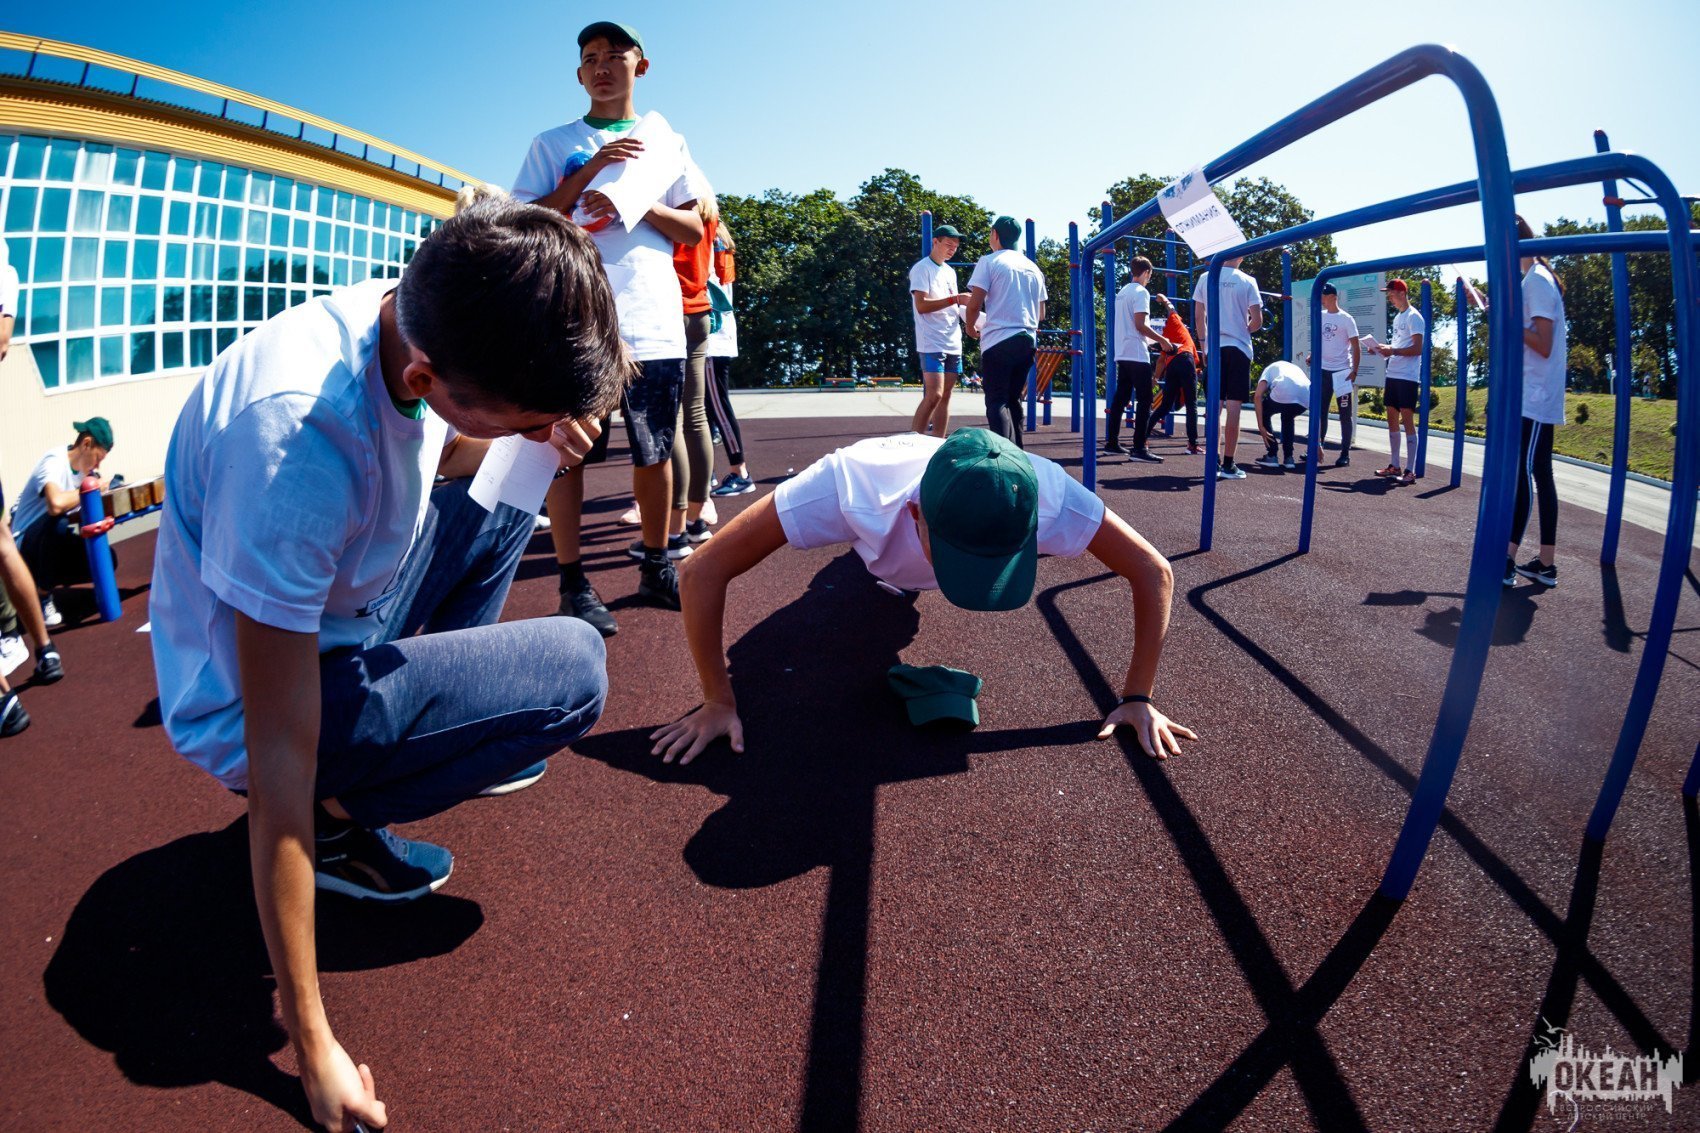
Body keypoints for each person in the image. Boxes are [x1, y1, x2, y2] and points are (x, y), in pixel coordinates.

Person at [149, 197, 627, 1133]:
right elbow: (275, 750)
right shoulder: (295, 445)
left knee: (503, 507)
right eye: (533, 412)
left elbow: (444, 444)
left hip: (342, 616)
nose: (552, 427)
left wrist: (532, 433)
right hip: (252, 704)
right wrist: (311, 1042)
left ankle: (414, 733)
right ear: (425, 377)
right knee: (576, 666)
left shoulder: (426, 298)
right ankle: (340, 823)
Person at [648, 428, 1196, 765]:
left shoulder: (1050, 493)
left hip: (924, 504)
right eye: (959, 555)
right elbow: (700, 570)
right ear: (916, 515)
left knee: (902, 600)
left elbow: (1154, 571)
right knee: (852, 596)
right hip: (877, 527)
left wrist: (1138, 697)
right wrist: (718, 700)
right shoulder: (848, 485)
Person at [512, 19, 704, 635]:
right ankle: (573, 583)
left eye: (615, 55)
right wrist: (587, 171)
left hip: (652, 319)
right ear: (578, 74)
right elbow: (524, 220)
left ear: (639, 66)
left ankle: (656, 563)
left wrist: (636, 203)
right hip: (574, 320)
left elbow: (694, 229)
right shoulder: (553, 142)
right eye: (591, 57)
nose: (602, 66)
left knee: (655, 450)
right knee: (568, 452)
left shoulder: (666, 140)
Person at [1505, 214, 1568, 588]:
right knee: (1540, 473)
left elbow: (1543, 344)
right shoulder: (1533, 280)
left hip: (1536, 394)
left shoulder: (1537, 281)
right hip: (1534, 393)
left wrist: (1508, 319)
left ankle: (1507, 558)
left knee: (1523, 474)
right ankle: (1545, 564)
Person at [659, 188, 721, 559]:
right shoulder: (708, 210)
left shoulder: (668, 206)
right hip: (699, 311)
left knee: (671, 419)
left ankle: (675, 530)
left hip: (669, 309)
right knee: (695, 418)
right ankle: (697, 519)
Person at [11, 418, 115, 627]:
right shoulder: (54, 461)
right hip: (23, 546)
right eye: (97, 458)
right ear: (86, 444)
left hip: (49, 542)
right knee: (58, 522)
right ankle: (43, 596)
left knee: (109, 558)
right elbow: (55, 504)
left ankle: (46, 585)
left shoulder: (87, 474)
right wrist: (90, 490)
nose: (97, 465)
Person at [964, 216, 1047, 448]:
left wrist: (970, 326)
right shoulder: (1033, 267)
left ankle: (1003, 452)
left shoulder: (989, 261)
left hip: (999, 340)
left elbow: (974, 304)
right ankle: (1018, 451)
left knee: (997, 400)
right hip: (1027, 340)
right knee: (1013, 399)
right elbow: (1041, 313)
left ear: (995, 234)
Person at [1193, 256, 1263, 481]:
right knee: (1234, 408)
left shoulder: (1206, 277)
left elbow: (1199, 316)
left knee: (1215, 407)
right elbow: (1257, 320)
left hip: (1215, 347)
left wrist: (1204, 345)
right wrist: (1243, 329)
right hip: (1239, 348)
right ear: (1241, 256)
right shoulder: (1248, 280)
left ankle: (1212, 460)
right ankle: (1229, 463)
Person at [1106, 256, 1178, 462]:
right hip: (1137, 354)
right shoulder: (1141, 292)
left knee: (1121, 398)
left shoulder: (1122, 292)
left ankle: (1112, 443)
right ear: (1146, 272)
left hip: (1123, 351)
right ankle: (1139, 448)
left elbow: (1132, 326)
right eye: (1150, 275)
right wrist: (1163, 340)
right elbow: (1140, 325)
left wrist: (1155, 341)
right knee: (1145, 400)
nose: (1149, 279)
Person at [707, 223, 756, 498]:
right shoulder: (720, 242)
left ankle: (741, 473)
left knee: (718, 407)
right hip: (717, 334)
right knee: (706, 410)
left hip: (712, 338)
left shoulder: (709, 241)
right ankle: (708, 472)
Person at [909, 224, 969, 437]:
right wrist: (956, 299)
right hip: (932, 341)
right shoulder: (922, 268)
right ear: (935, 242)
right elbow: (921, 306)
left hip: (953, 340)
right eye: (949, 244)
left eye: (955, 246)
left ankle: (938, 443)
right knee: (934, 395)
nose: (952, 249)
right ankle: (913, 442)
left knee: (945, 396)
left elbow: (953, 306)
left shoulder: (949, 271)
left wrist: (972, 321)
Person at [1374, 278, 1423, 485]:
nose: (1390, 298)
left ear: (1402, 293)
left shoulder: (1414, 317)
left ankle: (1411, 470)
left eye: (1392, 294)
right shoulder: (1398, 317)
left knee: (1407, 420)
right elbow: (1398, 345)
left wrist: (1392, 350)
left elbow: (1418, 349)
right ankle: (1395, 465)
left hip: (1407, 377)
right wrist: (1381, 349)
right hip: (1393, 374)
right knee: (1391, 418)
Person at [1146, 293, 1202, 455]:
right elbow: (1171, 309)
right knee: (1191, 405)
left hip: (1172, 366)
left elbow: (1161, 362)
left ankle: (1142, 437)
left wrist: (1155, 379)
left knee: (1165, 406)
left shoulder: (1165, 338)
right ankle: (1192, 444)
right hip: (1186, 360)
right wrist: (1165, 300)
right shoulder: (1176, 322)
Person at [1316, 283, 1361, 467]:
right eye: (1321, 295)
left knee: (1344, 414)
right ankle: (1317, 447)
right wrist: (1312, 355)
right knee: (1320, 412)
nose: (1322, 299)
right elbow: (1319, 342)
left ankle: (1345, 453)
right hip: (1323, 371)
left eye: (1324, 295)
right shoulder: (1320, 315)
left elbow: (1356, 346)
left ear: (1334, 297)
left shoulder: (1346, 319)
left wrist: (1354, 371)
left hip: (1342, 372)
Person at [1252, 360, 1311, 471]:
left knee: (1263, 411)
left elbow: (1257, 396)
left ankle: (1272, 454)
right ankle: (1289, 458)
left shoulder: (1268, 370)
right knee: (1288, 417)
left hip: (1284, 389)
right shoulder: (1294, 369)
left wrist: (1261, 426)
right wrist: (1318, 443)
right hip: (1306, 397)